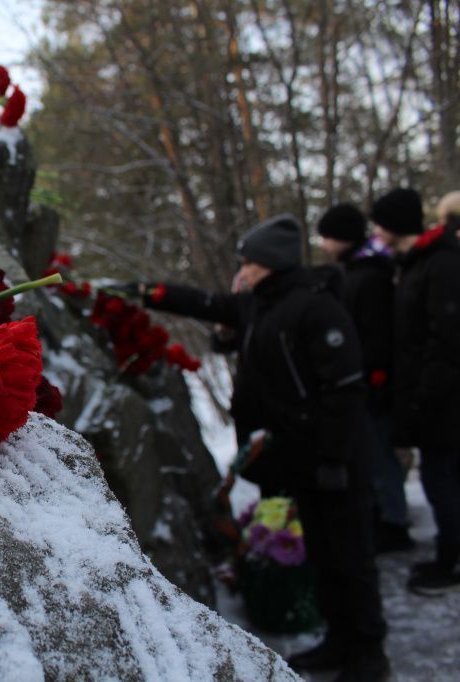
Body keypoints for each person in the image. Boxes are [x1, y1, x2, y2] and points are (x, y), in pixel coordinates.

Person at [121, 215, 388, 681]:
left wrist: (333, 459)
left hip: (334, 458)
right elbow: (208, 304)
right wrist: (147, 292)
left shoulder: (315, 307)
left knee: (351, 555)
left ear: (272, 263)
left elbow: (344, 389)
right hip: (297, 456)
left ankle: (368, 653)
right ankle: (338, 640)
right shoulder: (261, 303)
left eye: (248, 261)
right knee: (322, 553)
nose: (241, 270)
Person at [371, 187, 460, 595]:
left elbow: (445, 339)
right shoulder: (416, 263)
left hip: (444, 402)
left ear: (394, 225)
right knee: (439, 479)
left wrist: (425, 395)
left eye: (379, 223)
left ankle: (452, 560)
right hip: (433, 400)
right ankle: (448, 553)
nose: (374, 230)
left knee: (443, 480)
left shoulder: (439, 264)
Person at [317, 203, 413, 553]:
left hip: (373, 384)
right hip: (364, 380)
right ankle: (385, 516)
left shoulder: (369, 276)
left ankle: (394, 522)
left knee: (379, 454)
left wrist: (373, 377)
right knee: (372, 453)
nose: (325, 244)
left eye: (328, 236)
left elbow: (376, 335)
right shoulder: (356, 272)